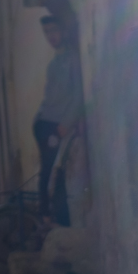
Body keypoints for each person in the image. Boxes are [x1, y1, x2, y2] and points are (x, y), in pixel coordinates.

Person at [32, 14, 82, 226]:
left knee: (55, 174)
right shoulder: (53, 65)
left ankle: (54, 219)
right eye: (46, 32)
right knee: (48, 173)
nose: (50, 36)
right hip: (44, 123)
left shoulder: (72, 59)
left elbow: (79, 94)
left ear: (63, 31)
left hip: (58, 126)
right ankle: (48, 218)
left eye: (53, 30)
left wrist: (66, 123)